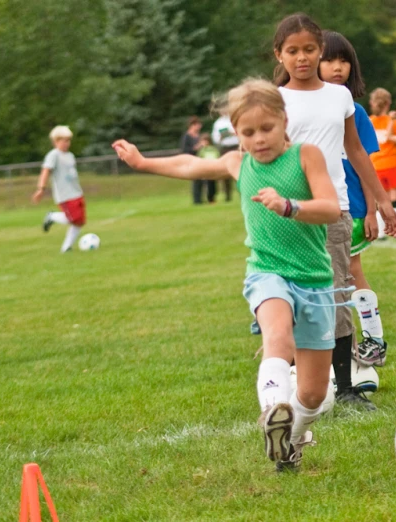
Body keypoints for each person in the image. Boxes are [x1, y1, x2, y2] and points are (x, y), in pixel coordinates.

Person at [113, 78, 341, 472]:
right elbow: (190, 165)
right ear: (235, 134)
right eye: (247, 132)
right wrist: (143, 162)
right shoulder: (239, 162)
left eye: (266, 129)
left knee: (314, 393)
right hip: (267, 272)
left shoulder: (307, 155)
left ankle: (291, 436)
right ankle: (273, 409)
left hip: (315, 280)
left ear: (284, 121)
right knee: (277, 335)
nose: (258, 139)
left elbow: (331, 208)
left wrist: (289, 206)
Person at [273, 13, 396, 411]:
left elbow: (356, 150)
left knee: (336, 297)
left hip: (335, 211)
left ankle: (345, 387)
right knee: (290, 298)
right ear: (279, 55)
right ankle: (290, 386)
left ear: (319, 51)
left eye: (310, 49)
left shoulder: (339, 97)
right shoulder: (274, 99)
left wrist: (382, 200)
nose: (302, 58)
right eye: (292, 51)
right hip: (287, 214)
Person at [319, 30, 390, 368]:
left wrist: (374, 210)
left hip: (353, 208)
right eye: (329, 60)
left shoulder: (355, 112)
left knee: (351, 272)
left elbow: (364, 164)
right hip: (316, 206)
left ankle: (373, 338)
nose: (337, 67)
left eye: (343, 60)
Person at [33, 126, 86, 253]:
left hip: (76, 193)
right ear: (56, 141)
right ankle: (52, 216)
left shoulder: (70, 155)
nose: (67, 143)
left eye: (68, 140)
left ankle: (66, 247)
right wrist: (41, 188)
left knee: (80, 221)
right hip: (65, 195)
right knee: (73, 218)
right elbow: (46, 171)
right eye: (64, 141)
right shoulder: (53, 155)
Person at [369, 88, 396, 237]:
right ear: (388, 103)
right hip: (394, 163)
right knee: (395, 198)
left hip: (376, 165)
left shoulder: (369, 122)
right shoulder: (393, 123)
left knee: (380, 199)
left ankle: (381, 233)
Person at [181, 116, 213, 204]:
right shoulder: (187, 137)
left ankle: (203, 198)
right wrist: (196, 147)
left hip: (200, 159)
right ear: (192, 125)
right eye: (197, 125)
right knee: (196, 180)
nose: (199, 127)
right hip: (191, 159)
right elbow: (185, 150)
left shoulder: (199, 136)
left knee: (202, 179)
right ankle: (197, 200)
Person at [211, 115, 239, 201]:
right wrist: (221, 137)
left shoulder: (235, 118)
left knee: (239, 170)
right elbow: (215, 138)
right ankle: (227, 195)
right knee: (225, 171)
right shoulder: (218, 123)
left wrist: (233, 133)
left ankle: (243, 193)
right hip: (224, 147)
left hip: (236, 146)